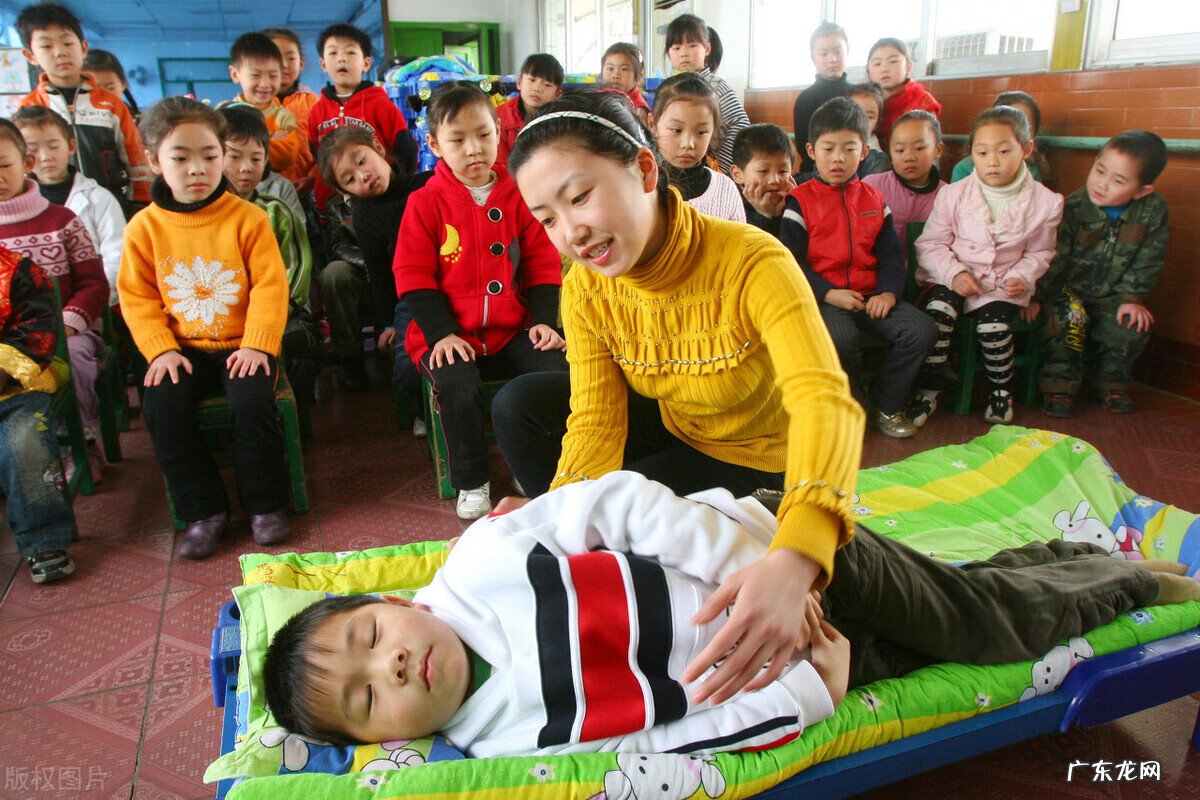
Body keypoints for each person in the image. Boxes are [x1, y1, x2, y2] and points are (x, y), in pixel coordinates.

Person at [261, 470, 1194, 755]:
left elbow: (624, 502)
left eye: (368, 637)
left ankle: (1133, 583)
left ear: (388, 602)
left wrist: (769, 575)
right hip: (819, 662)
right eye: (366, 698)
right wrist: (813, 689)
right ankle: (1064, 563)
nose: (385, 668)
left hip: (802, 568)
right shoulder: (510, 742)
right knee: (963, 612)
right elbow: (671, 747)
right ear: (382, 742)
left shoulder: (482, 559)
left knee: (986, 627)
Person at [491, 90, 863, 706]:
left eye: (579, 197)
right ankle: (596, 575)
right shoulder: (586, 285)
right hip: (684, 423)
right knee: (521, 405)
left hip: (764, 460)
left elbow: (825, 402)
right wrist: (554, 521)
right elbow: (595, 419)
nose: (571, 232)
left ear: (642, 169)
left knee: (636, 526)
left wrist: (799, 557)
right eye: (547, 218)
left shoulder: (751, 261)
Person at [117, 97, 291, 559]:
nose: (198, 169)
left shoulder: (248, 218)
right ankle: (204, 511)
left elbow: (271, 287)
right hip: (181, 349)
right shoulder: (143, 228)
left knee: (252, 402)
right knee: (162, 408)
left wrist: (258, 344)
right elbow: (138, 298)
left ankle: (266, 505)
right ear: (154, 160)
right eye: (180, 158)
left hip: (245, 344)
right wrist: (161, 351)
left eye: (210, 156)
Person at [392, 82, 567, 520]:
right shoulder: (424, 202)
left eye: (484, 135)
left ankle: (536, 468)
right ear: (433, 144)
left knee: (553, 369)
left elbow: (544, 263)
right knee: (457, 382)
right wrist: (442, 335)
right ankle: (472, 479)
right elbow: (412, 276)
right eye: (457, 140)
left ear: (499, 133)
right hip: (450, 332)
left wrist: (544, 321)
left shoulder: (519, 193)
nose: (474, 150)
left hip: (512, 330)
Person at [781, 98, 935, 440]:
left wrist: (888, 292)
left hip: (871, 296)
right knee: (839, 336)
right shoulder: (800, 202)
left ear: (864, 152)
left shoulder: (874, 200)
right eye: (829, 148)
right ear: (810, 150)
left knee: (920, 329)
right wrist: (828, 294)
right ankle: (853, 406)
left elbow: (892, 258)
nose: (838, 158)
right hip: (822, 299)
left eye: (849, 149)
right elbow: (791, 265)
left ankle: (886, 403)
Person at [909, 106, 1064, 427]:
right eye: (982, 152)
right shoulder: (954, 194)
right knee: (938, 313)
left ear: (1027, 149)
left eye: (1004, 151)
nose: (992, 160)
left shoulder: (1046, 202)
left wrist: (1022, 277)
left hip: (1001, 285)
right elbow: (930, 244)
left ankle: (1000, 390)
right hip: (952, 276)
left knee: (993, 326)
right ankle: (928, 389)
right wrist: (954, 273)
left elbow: (1040, 253)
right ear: (972, 154)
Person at [0, 118, 109, 482]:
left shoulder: (62, 220)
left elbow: (94, 285)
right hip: (8, 347)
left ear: (26, 163)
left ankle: (81, 443)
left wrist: (67, 323)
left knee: (75, 359)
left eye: (3, 165)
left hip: (67, 334)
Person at [1032, 131, 1169, 418]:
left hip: (1115, 293)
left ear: (1143, 190)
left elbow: (1149, 258)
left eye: (1118, 181)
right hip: (1069, 289)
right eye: (1100, 170)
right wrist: (1037, 296)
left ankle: (1111, 385)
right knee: (1070, 318)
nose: (1102, 184)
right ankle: (1060, 387)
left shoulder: (1153, 211)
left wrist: (1132, 298)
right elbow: (1054, 257)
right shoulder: (1074, 207)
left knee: (1131, 324)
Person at [317, 125, 432, 422]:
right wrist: (388, 323)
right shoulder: (365, 215)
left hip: (451, 286)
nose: (363, 176)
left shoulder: (427, 184)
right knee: (407, 371)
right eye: (350, 179)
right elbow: (379, 273)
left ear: (378, 149)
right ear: (344, 192)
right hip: (409, 299)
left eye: (361, 161)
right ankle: (426, 416)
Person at [219, 105, 319, 416]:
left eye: (255, 158)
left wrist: (278, 310)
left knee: (298, 340)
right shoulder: (205, 209)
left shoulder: (275, 203)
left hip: (277, 306)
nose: (245, 168)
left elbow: (297, 263)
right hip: (225, 316)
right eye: (234, 157)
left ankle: (296, 422)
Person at [16, 2, 151, 206]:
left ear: (84, 48)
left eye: (67, 43)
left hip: (111, 206)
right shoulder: (29, 109)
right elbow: (20, 165)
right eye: (46, 46)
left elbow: (136, 160)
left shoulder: (110, 105)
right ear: (30, 56)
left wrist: (139, 205)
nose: (60, 52)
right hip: (51, 209)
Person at [0, 241, 79, 584]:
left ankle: (43, 539)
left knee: (24, 442)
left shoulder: (16, 270)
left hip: (17, 386)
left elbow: (37, 332)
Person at [13, 105, 126, 308]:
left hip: (92, 307)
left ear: (72, 146)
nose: (46, 156)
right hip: (26, 313)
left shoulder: (99, 199)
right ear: (22, 157)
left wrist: (85, 303)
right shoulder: (11, 208)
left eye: (54, 146)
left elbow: (117, 258)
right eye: (33, 149)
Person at [307, 23, 416, 210]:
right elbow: (318, 158)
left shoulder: (381, 105)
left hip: (381, 202)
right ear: (323, 64)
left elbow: (405, 150)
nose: (342, 59)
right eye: (333, 53)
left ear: (366, 63)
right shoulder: (317, 112)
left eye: (350, 53)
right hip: (333, 207)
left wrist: (397, 194)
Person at [650, 73, 745, 223]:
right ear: (652, 125)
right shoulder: (641, 187)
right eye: (676, 130)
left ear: (713, 130)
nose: (688, 144)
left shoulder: (726, 190)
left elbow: (740, 245)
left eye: (701, 132)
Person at [663, 14, 749, 174]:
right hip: (682, 169)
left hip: (715, 170)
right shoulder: (670, 89)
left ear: (707, 49)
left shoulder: (716, 86)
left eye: (692, 45)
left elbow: (740, 124)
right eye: (676, 47)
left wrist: (723, 165)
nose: (684, 53)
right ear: (669, 54)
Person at [219, 33, 308, 186]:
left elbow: (287, 156)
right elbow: (215, 154)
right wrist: (269, 139)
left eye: (273, 76)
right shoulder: (223, 112)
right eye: (256, 75)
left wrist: (238, 146)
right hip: (230, 188)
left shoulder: (283, 116)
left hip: (273, 190)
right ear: (235, 74)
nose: (265, 84)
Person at [862, 109, 947, 254]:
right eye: (900, 150)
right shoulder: (871, 187)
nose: (909, 157)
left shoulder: (947, 196)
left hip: (930, 273)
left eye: (919, 148)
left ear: (938, 150)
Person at [263, 27, 319, 191]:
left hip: (308, 189)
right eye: (277, 57)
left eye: (291, 58)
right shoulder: (251, 105)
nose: (285, 65)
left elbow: (327, 149)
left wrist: (314, 177)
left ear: (301, 63)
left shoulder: (314, 103)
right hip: (264, 191)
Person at [951, 92, 1047, 184]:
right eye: (1007, 123)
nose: (992, 162)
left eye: (1027, 128)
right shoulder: (963, 170)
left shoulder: (1033, 171)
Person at [793, 21, 851, 174]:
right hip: (815, 171)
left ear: (848, 51)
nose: (832, 59)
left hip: (854, 168)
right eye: (823, 53)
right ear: (813, 58)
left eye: (838, 51)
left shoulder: (859, 94)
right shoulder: (805, 99)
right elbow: (803, 147)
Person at [866, 37, 941, 150]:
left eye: (893, 61)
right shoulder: (863, 101)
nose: (885, 69)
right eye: (877, 63)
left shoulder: (922, 100)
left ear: (908, 66)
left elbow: (932, 145)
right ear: (868, 70)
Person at [496, 53, 564, 168]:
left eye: (547, 85)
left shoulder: (563, 120)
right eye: (532, 80)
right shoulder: (500, 117)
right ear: (519, 83)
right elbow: (500, 165)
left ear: (557, 95)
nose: (537, 89)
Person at [729, 123, 797, 236]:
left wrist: (794, 207)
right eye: (763, 171)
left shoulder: (799, 206)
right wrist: (763, 216)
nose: (774, 180)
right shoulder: (732, 209)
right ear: (737, 174)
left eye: (783, 171)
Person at [81, 48, 139, 118]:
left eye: (110, 88)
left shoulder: (142, 124)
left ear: (123, 83)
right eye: (92, 89)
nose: (103, 96)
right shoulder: (71, 124)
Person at [601, 43, 650, 123]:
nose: (615, 75)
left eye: (624, 69)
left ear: (638, 76)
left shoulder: (638, 110)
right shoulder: (599, 97)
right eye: (610, 69)